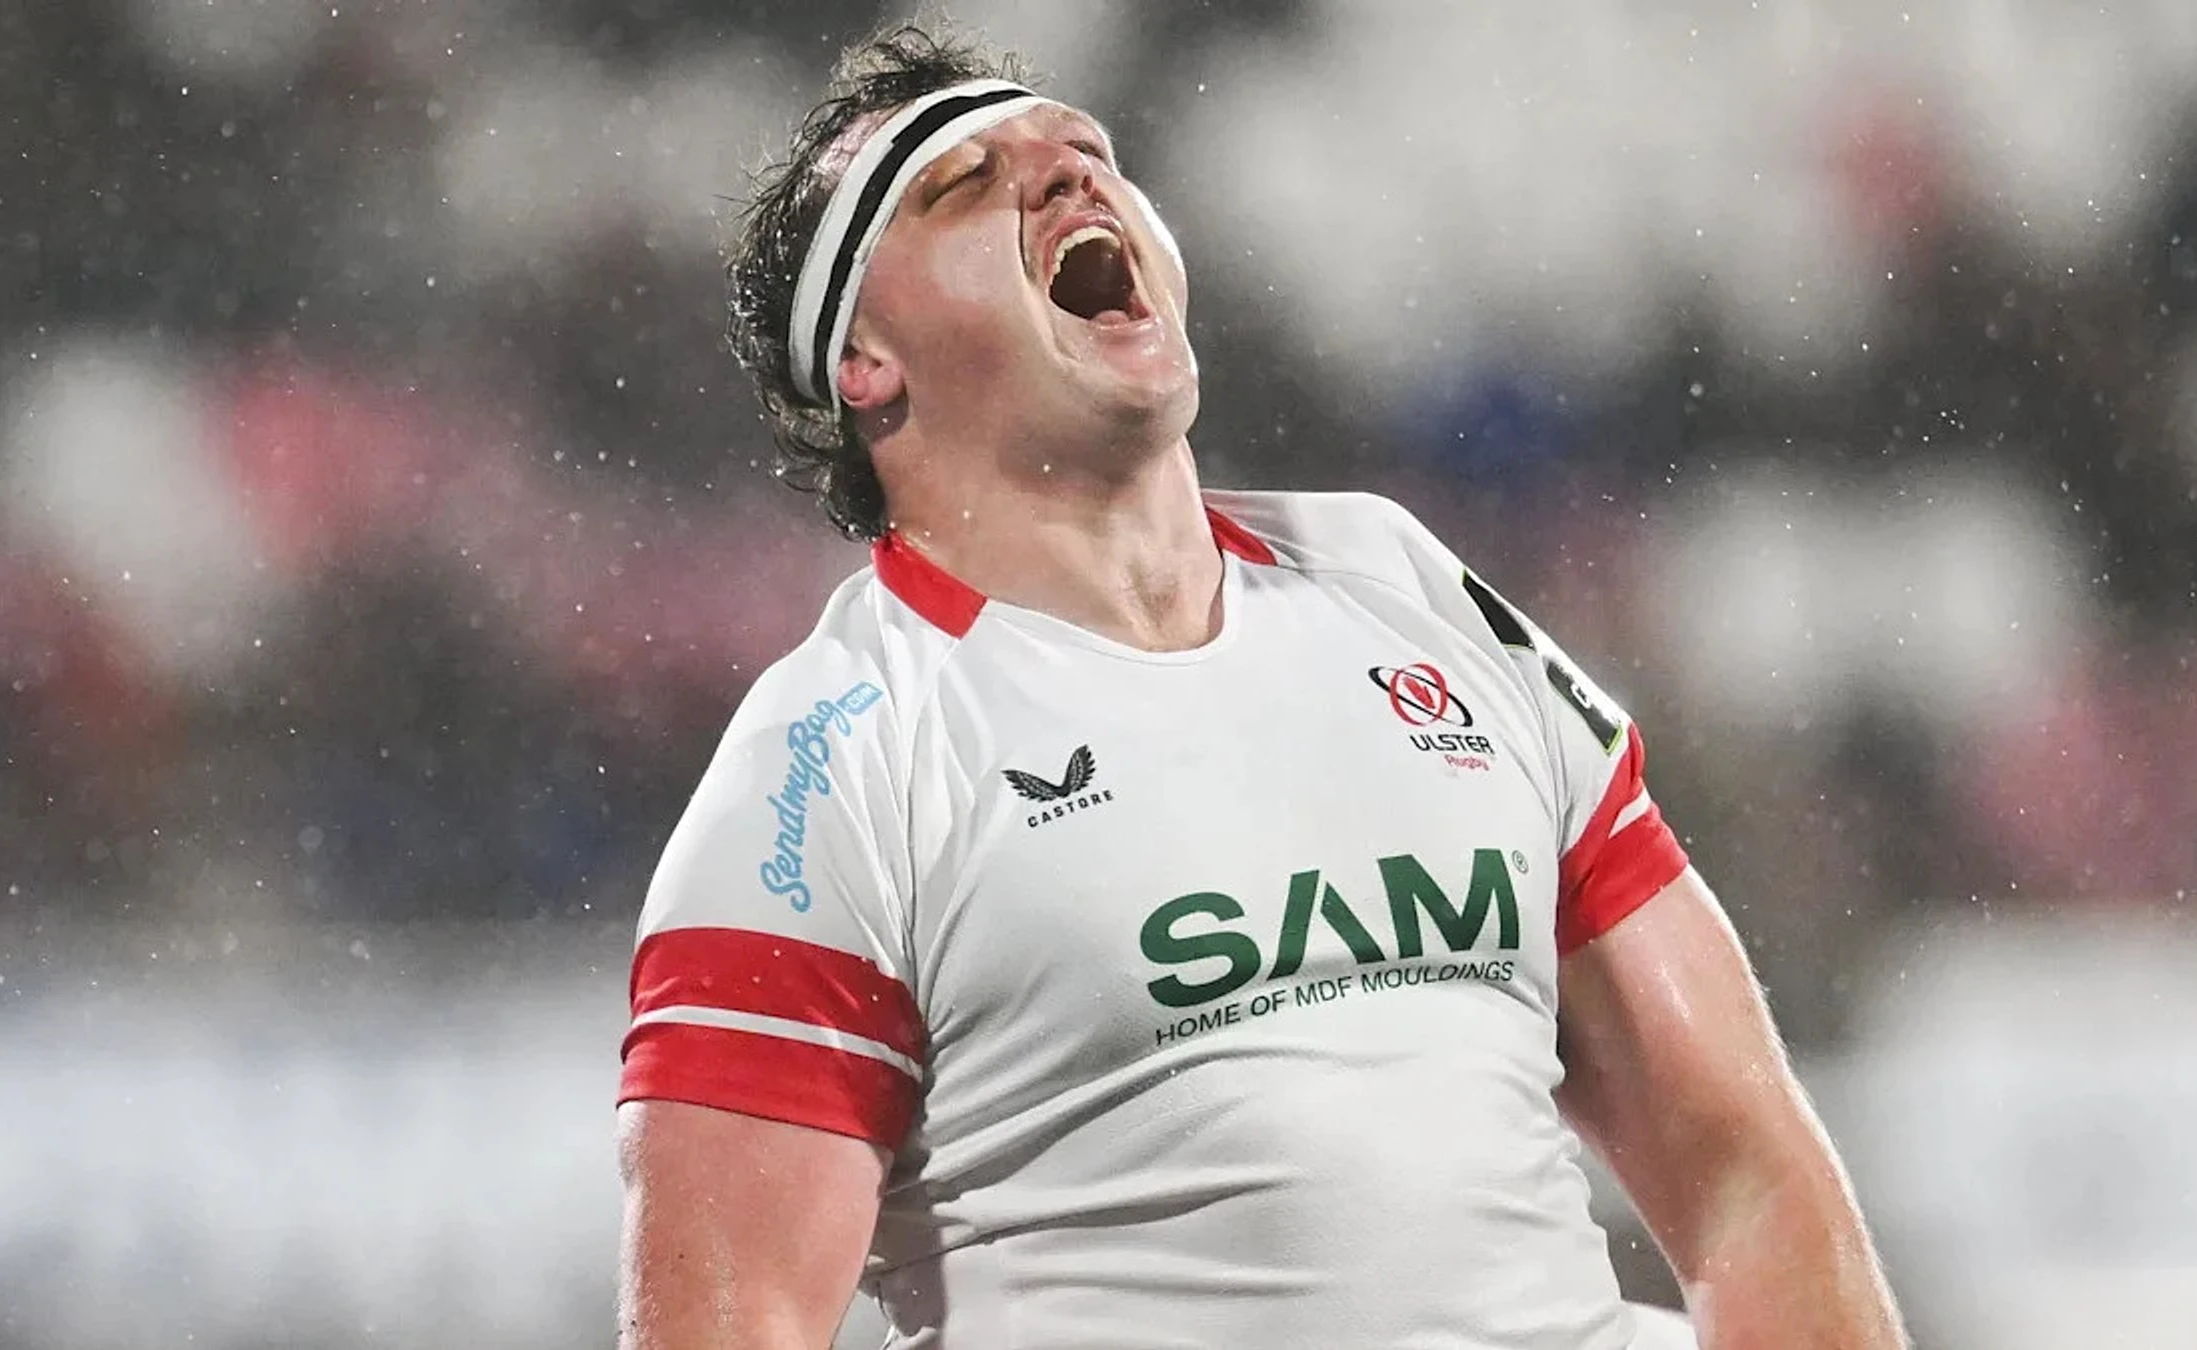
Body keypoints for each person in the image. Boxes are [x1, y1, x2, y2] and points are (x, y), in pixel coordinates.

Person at [615, 24, 1909, 1350]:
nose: (1067, 175)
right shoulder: (828, 765)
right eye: (963, 185)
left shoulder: (1399, 579)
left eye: (1084, 150)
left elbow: (1745, 1169)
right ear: (865, 363)